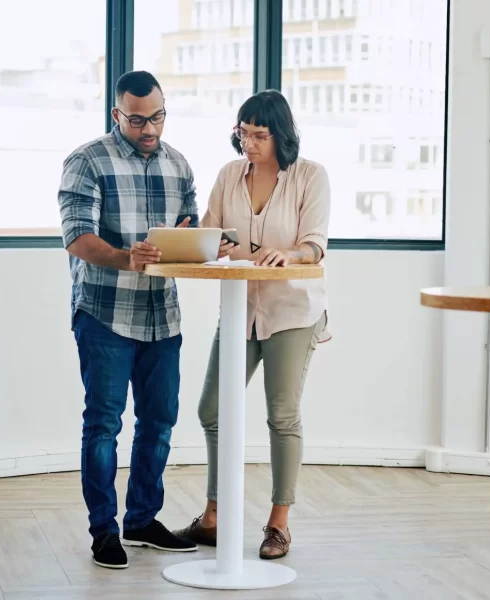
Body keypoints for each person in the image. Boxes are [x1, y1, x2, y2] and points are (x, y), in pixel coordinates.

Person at [57, 70, 215, 569]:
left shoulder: (178, 164)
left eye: (158, 117)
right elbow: (77, 238)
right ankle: (104, 531)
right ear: (116, 114)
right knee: (103, 425)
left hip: (162, 318)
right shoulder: (87, 161)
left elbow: (190, 228)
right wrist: (129, 257)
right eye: (138, 119)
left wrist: (201, 244)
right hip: (105, 314)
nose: (150, 129)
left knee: (159, 423)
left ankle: (142, 520)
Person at [174, 89, 331, 560]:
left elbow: (315, 245)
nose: (249, 143)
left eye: (259, 135)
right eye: (243, 133)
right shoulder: (228, 175)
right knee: (213, 410)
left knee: (281, 415)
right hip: (240, 309)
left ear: (280, 134)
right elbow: (210, 233)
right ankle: (215, 517)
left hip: (292, 311)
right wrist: (202, 242)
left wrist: (294, 253)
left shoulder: (310, 177)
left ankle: (278, 523)